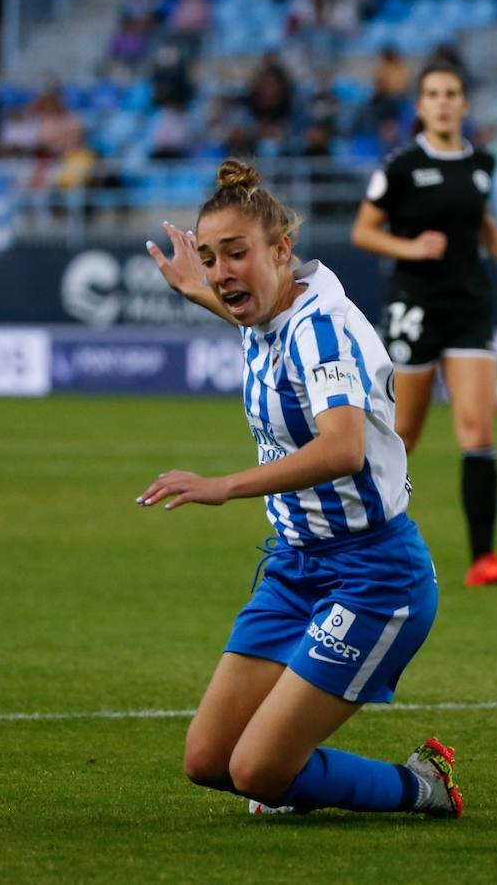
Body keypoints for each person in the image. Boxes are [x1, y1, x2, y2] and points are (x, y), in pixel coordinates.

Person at [140, 159, 461, 819]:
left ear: (281, 250)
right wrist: (196, 289)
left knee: (256, 768)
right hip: (295, 565)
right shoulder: (274, 313)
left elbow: (342, 447)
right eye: (211, 256)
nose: (222, 270)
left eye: (236, 253)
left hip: (375, 574)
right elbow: (257, 325)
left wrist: (223, 485)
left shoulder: (322, 328)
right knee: (208, 760)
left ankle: (419, 784)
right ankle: (291, 781)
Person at [352, 60, 497, 588]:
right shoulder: (401, 166)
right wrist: (409, 246)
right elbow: (364, 232)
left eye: (451, 93)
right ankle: (363, 539)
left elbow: (482, 224)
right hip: (416, 307)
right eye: (432, 93)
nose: (442, 101)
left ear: (463, 103)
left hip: (469, 307)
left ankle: (484, 558)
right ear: (420, 106)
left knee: (478, 430)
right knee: (403, 433)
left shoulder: (482, 162)